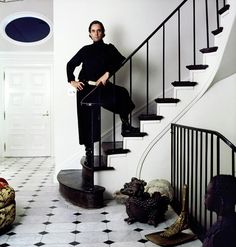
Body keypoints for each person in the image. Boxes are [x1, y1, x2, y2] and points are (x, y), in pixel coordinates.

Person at [66, 20, 139, 165]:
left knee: (122, 93)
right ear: (89, 34)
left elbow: (121, 61)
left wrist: (107, 74)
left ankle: (125, 125)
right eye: (93, 31)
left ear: (103, 32)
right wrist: (72, 81)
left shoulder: (109, 48)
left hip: (102, 87)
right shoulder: (85, 49)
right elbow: (70, 64)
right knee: (87, 120)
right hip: (85, 88)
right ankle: (89, 153)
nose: (96, 33)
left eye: (98, 30)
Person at [203, 174, 236, 247]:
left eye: (208, 193)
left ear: (221, 200)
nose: (204, 196)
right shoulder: (229, 221)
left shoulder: (220, 235)